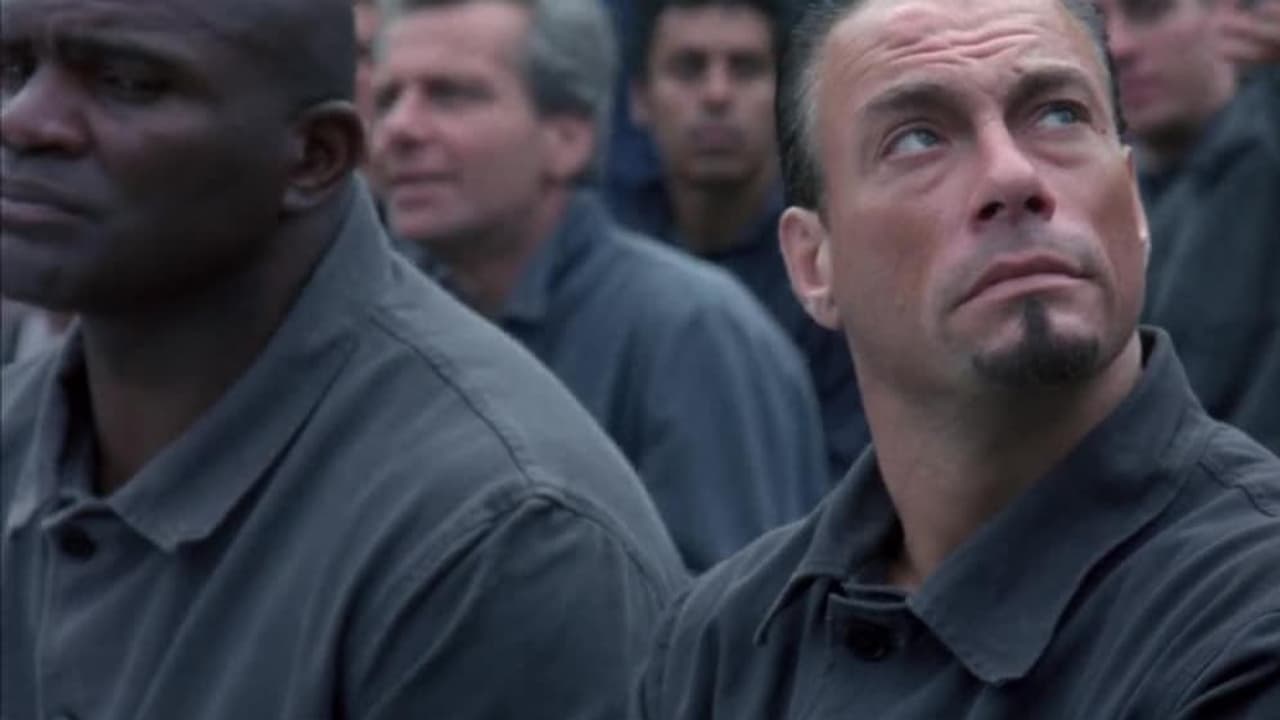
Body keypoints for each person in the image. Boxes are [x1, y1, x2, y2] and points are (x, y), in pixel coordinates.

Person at [0, 0, 688, 717]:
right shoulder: (19, 428)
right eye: (13, 71)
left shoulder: (497, 539)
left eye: (128, 82)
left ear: (316, 156)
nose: (23, 122)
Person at [632, 0, 1280, 716]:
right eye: (917, 139)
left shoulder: (1251, 611)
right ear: (814, 264)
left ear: (1132, 204)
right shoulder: (720, 649)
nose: (1012, 177)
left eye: (1059, 116)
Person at [371, 0, 829, 571]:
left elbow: (737, 610)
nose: (400, 129)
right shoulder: (383, 331)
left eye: (450, 95)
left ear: (567, 137)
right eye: (386, 99)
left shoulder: (691, 332)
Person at [626, 0, 870, 480]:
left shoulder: (837, 263)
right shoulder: (607, 258)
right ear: (639, 98)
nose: (716, 94)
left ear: (789, 96)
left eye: (745, 68)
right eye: (688, 68)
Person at [1098, 0, 1280, 450]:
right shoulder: (1099, 198)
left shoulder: (1262, 152)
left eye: (1149, 11)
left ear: (1230, 13)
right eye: (1096, 23)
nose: (1117, 47)